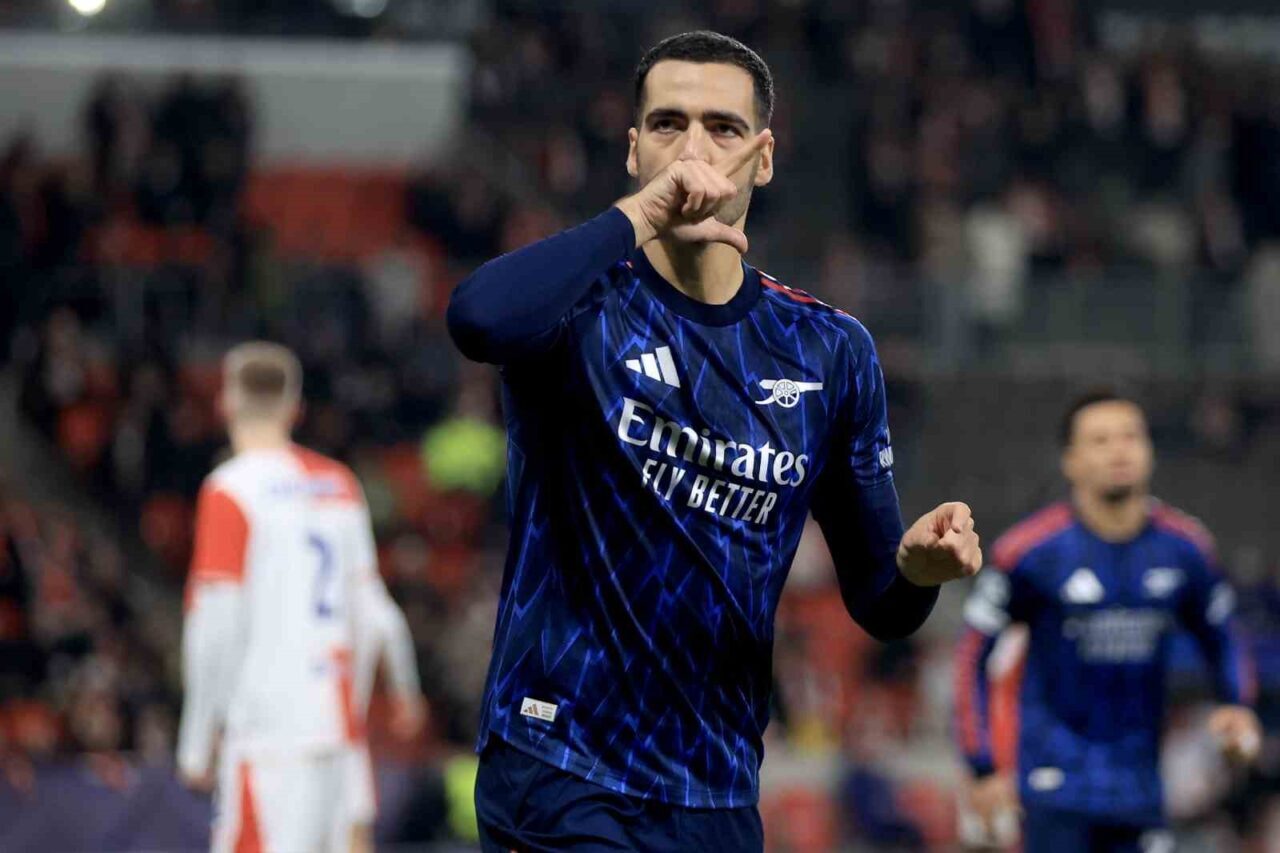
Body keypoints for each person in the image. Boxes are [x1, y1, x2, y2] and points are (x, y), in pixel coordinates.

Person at [447, 30, 984, 852]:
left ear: (762, 160)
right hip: (559, 764)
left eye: (723, 127)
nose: (693, 148)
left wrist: (916, 569)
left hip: (715, 788)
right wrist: (641, 215)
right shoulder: (576, 307)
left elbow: (882, 603)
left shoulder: (827, 350)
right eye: (668, 124)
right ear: (634, 150)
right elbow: (478, 318)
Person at [954, 390, 1261, 852]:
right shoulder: (1031, 552)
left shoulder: (1185, 548)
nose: (1119, 450)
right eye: (1100, 440)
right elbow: (972, 654)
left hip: (1141, 791)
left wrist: (1236, 703)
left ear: (1149, 450)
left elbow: (1223, 636)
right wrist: (982, 765)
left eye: (1130, 437)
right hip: (1054, 789)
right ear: (1070, 461)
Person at [177, 342, 425, 853]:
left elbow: (215, 625)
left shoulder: (230, 491)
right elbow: (377, 612)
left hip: (269, 736)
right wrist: (405, 687)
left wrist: (196, 742)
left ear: (226, 403)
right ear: (296, 409)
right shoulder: (339, 485)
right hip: (339, 730)